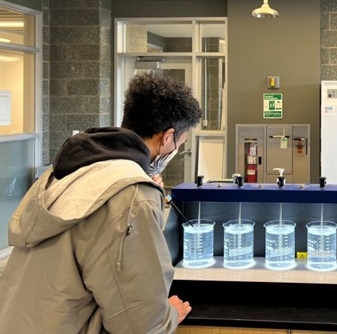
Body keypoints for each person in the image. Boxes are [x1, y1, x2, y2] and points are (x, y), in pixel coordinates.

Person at [0, 72, 202, 333]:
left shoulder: (70, 169)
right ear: (167, 137)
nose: (176, 150)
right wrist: (170, 316)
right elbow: (140, 324)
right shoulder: (131, 195)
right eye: (180, 143)